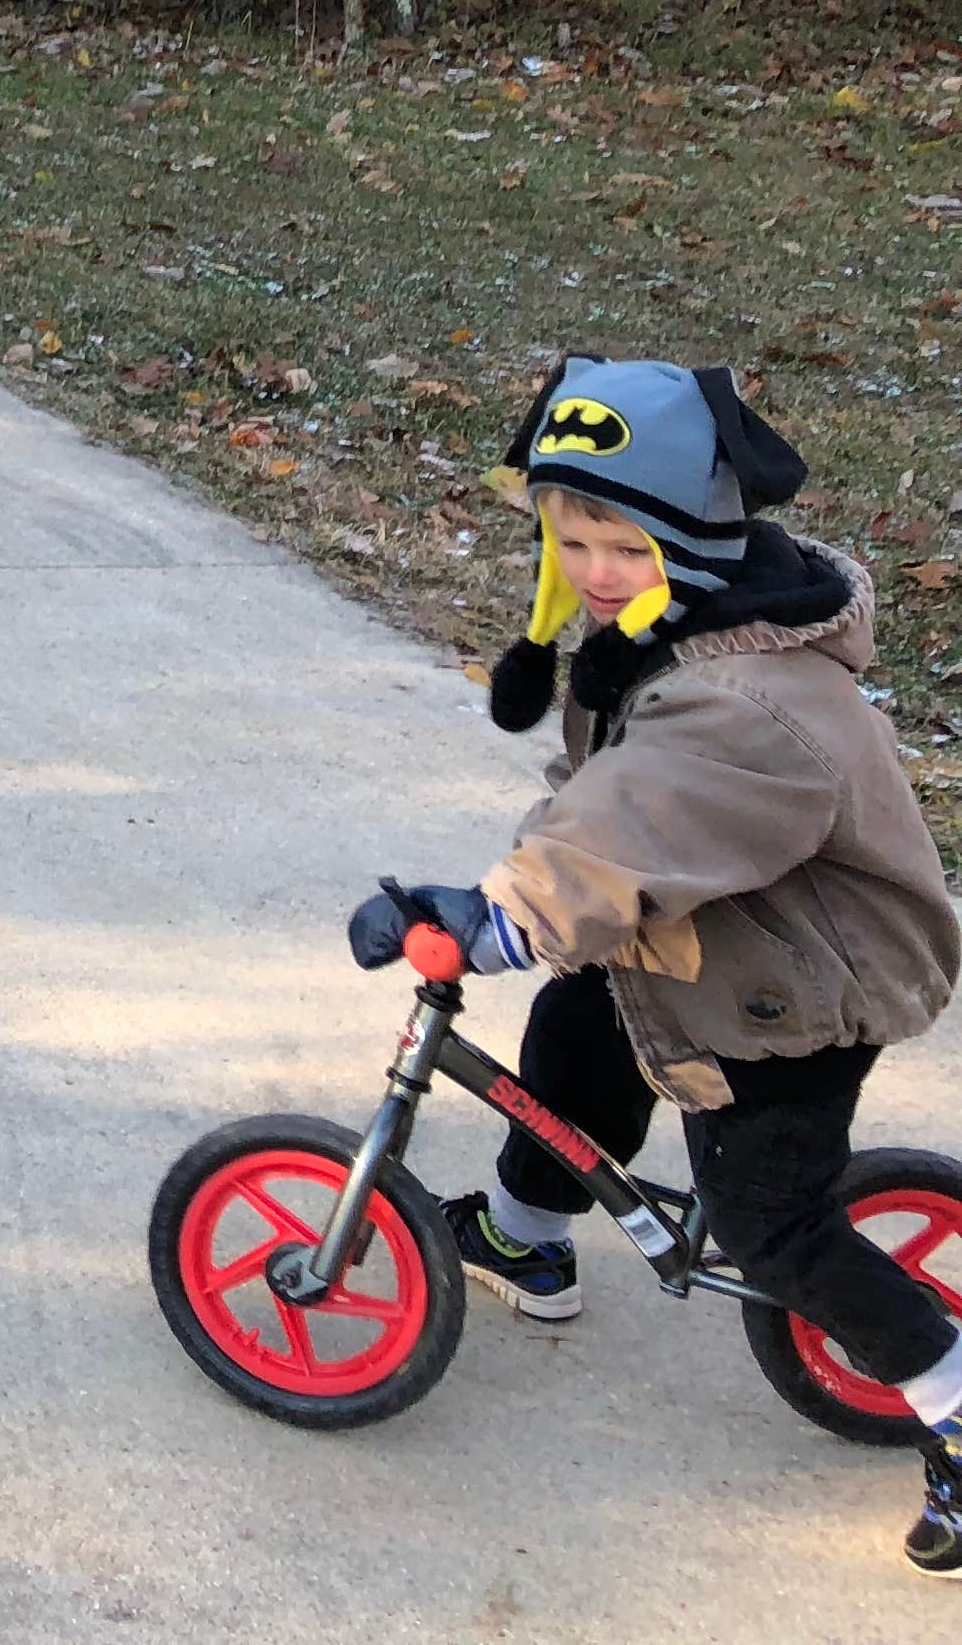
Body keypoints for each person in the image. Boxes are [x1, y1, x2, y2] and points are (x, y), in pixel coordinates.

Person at [352, 357, 962, 1572]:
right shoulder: (654, 633)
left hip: (792, 997)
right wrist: (530, 903)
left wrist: (497, 915)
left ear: (694, 538)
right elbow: (600, 802)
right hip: (698, 942)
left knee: (769, 1224)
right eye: (570, 540)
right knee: (575, 1043)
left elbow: (642, 825)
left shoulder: (752, 703)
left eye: (621, 545)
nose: (592, 572)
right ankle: (528, 1232)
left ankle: (949, 1391)